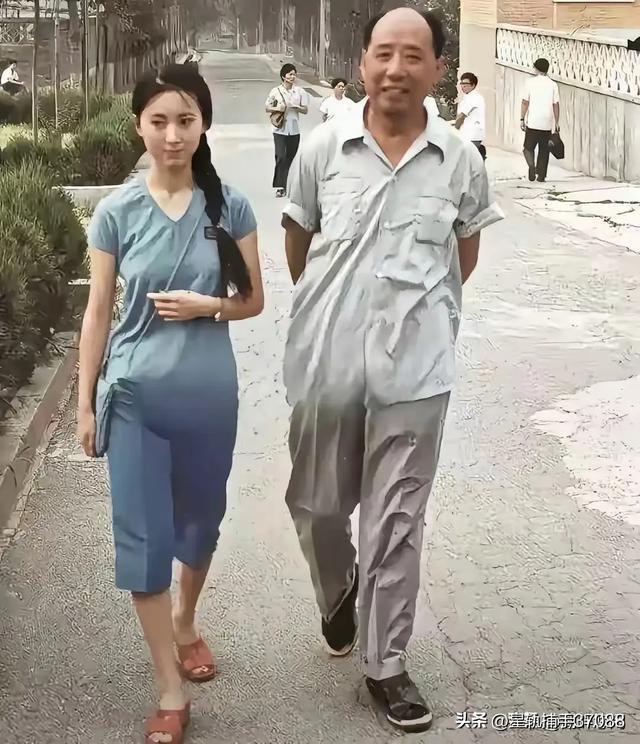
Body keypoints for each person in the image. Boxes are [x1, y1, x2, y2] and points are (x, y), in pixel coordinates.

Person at [281, 7, 503, 734]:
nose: (396, 69)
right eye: (383, 53)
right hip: (328, 361)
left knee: (397, 518)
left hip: (417, 371)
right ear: (363, 61)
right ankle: (338, 589)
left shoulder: (460, 160)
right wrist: (335, 311)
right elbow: (298, 241)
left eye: (413, 55)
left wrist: (421, 318)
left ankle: (387, 663)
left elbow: (463, 256)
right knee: (317, 506)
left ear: (438, 68)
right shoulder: (321, 147)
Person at [77, 63, 264, 744]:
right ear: (139, 126)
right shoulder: (117, 212)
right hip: (134, 398)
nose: (172, 134)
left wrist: (206, 306)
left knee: (201, 524)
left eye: (185, 120)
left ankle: (186, 621)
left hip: (208, 399)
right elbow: (98, 311)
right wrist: (86, 403)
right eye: (159, 121)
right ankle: (168, 686)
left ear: (203, 124)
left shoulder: (229, 207)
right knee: (143, 540)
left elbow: (253, 300)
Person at [265, 63, 309, 198]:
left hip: (294, 130)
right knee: (280, 156)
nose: (293, 76)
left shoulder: (299, 91)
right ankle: (280, 186)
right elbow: (267, 107)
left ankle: (288, 185)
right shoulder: (276, 91)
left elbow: (305, 110)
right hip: (279, 130)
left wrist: (295, 106)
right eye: (290, 74)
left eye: (294, 74)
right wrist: (280, 108)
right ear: (283, 76)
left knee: (291, 158)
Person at [521, 58, 560, 182]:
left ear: (536, 68)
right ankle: (541, 176)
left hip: (533, 121)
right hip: (546, 122)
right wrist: (556, 122)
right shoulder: (553, 84)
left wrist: (522, 118)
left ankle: (532, 166)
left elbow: (525, 102)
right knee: (544, 149)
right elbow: (556, 104)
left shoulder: (530, 82)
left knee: (528, 148)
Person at [454, 72, 486, 160]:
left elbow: (461, 116)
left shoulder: (474, 98)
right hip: (467, 134)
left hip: (472, 135)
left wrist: (454, 130)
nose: (462, 86)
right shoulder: (467, 97)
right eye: (461, 83)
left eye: (465, 84)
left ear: (473, 85)